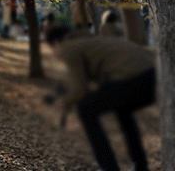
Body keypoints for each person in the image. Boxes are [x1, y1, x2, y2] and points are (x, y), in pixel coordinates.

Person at [45, 25, 155, 171]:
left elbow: (79, 90)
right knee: (122, 109)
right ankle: (140, 165)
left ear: (56, 43)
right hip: (153, 75)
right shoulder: (88, 40)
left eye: (51, 49)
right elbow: (90, 85)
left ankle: (108, 167)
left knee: (85, 109)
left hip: (133, 78)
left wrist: (64, 101)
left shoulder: (68, 48)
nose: (53, 53)